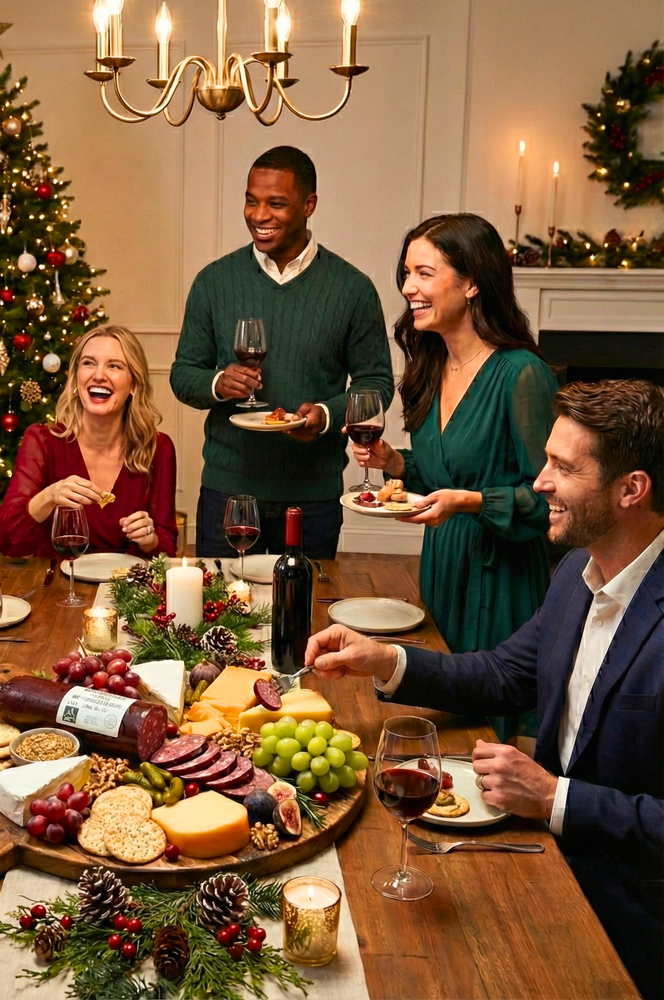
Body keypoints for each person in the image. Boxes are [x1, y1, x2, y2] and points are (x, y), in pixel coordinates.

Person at [306, 379, 664, 1000]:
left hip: (630, 922)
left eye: (562, 467)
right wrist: (387, 659)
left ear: (632, 489)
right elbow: (503, 673)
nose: (540, 484)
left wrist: (554, 797)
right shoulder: (576, 577)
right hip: (537, 865)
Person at [349, 214, 557, 739]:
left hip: (501, 578)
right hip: (445, 565)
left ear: (471, 283)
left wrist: (471, 503)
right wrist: (397, 464)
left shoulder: (521, 373)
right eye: (406, 273)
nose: (407, 288)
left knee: (487, 730)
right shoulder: (431, 364)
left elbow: (552, 498)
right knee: (442, 720)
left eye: (423, 273)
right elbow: (444, 469)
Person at [170, 145, 393, 558]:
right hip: (229, 490)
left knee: (304, 616)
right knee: (224, 615)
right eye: (251, 201)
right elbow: (183, 375)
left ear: (309, 205)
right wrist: (219, 383)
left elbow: (376, 384)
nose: (259, 216)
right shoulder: (214, 281)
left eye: (276, 204)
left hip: (311, 495)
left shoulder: (352, 289)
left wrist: (325, 416)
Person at [0, 326, 178, 557]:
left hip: (128, 588)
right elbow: (7, 541)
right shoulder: (42, 441)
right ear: (75, 378)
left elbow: (167, 549)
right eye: (89, 363)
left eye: (114, 366)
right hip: (58, 586)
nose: (99, 375)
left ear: (134, 384)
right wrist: (48, 497)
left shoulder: (158, 448)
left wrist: (150, 540)